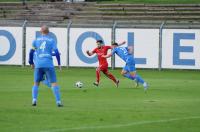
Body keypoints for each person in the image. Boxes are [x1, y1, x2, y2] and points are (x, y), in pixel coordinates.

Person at [29, 25, 63, 107]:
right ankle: (58, 102)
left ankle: (34, 100)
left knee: (36, 83)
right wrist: (59, 64)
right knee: (54, 83)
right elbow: (57, 53)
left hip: (38, 64)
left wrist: (31, 63)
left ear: (41, 31)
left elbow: (31, 52)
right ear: (48, 32)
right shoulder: (51, 40)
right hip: (48, 64)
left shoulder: (36, 40)